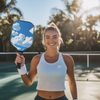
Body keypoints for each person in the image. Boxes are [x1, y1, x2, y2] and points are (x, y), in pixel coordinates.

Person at [15, 22, 78, 100]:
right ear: (44, 40)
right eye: (47, 37)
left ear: (59, 38)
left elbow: (72, 82)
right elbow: (28, 82)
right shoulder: (36, 59)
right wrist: (21, 68)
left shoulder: (68, 59)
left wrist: (75, 99)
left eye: (55, 37)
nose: (51, 40)